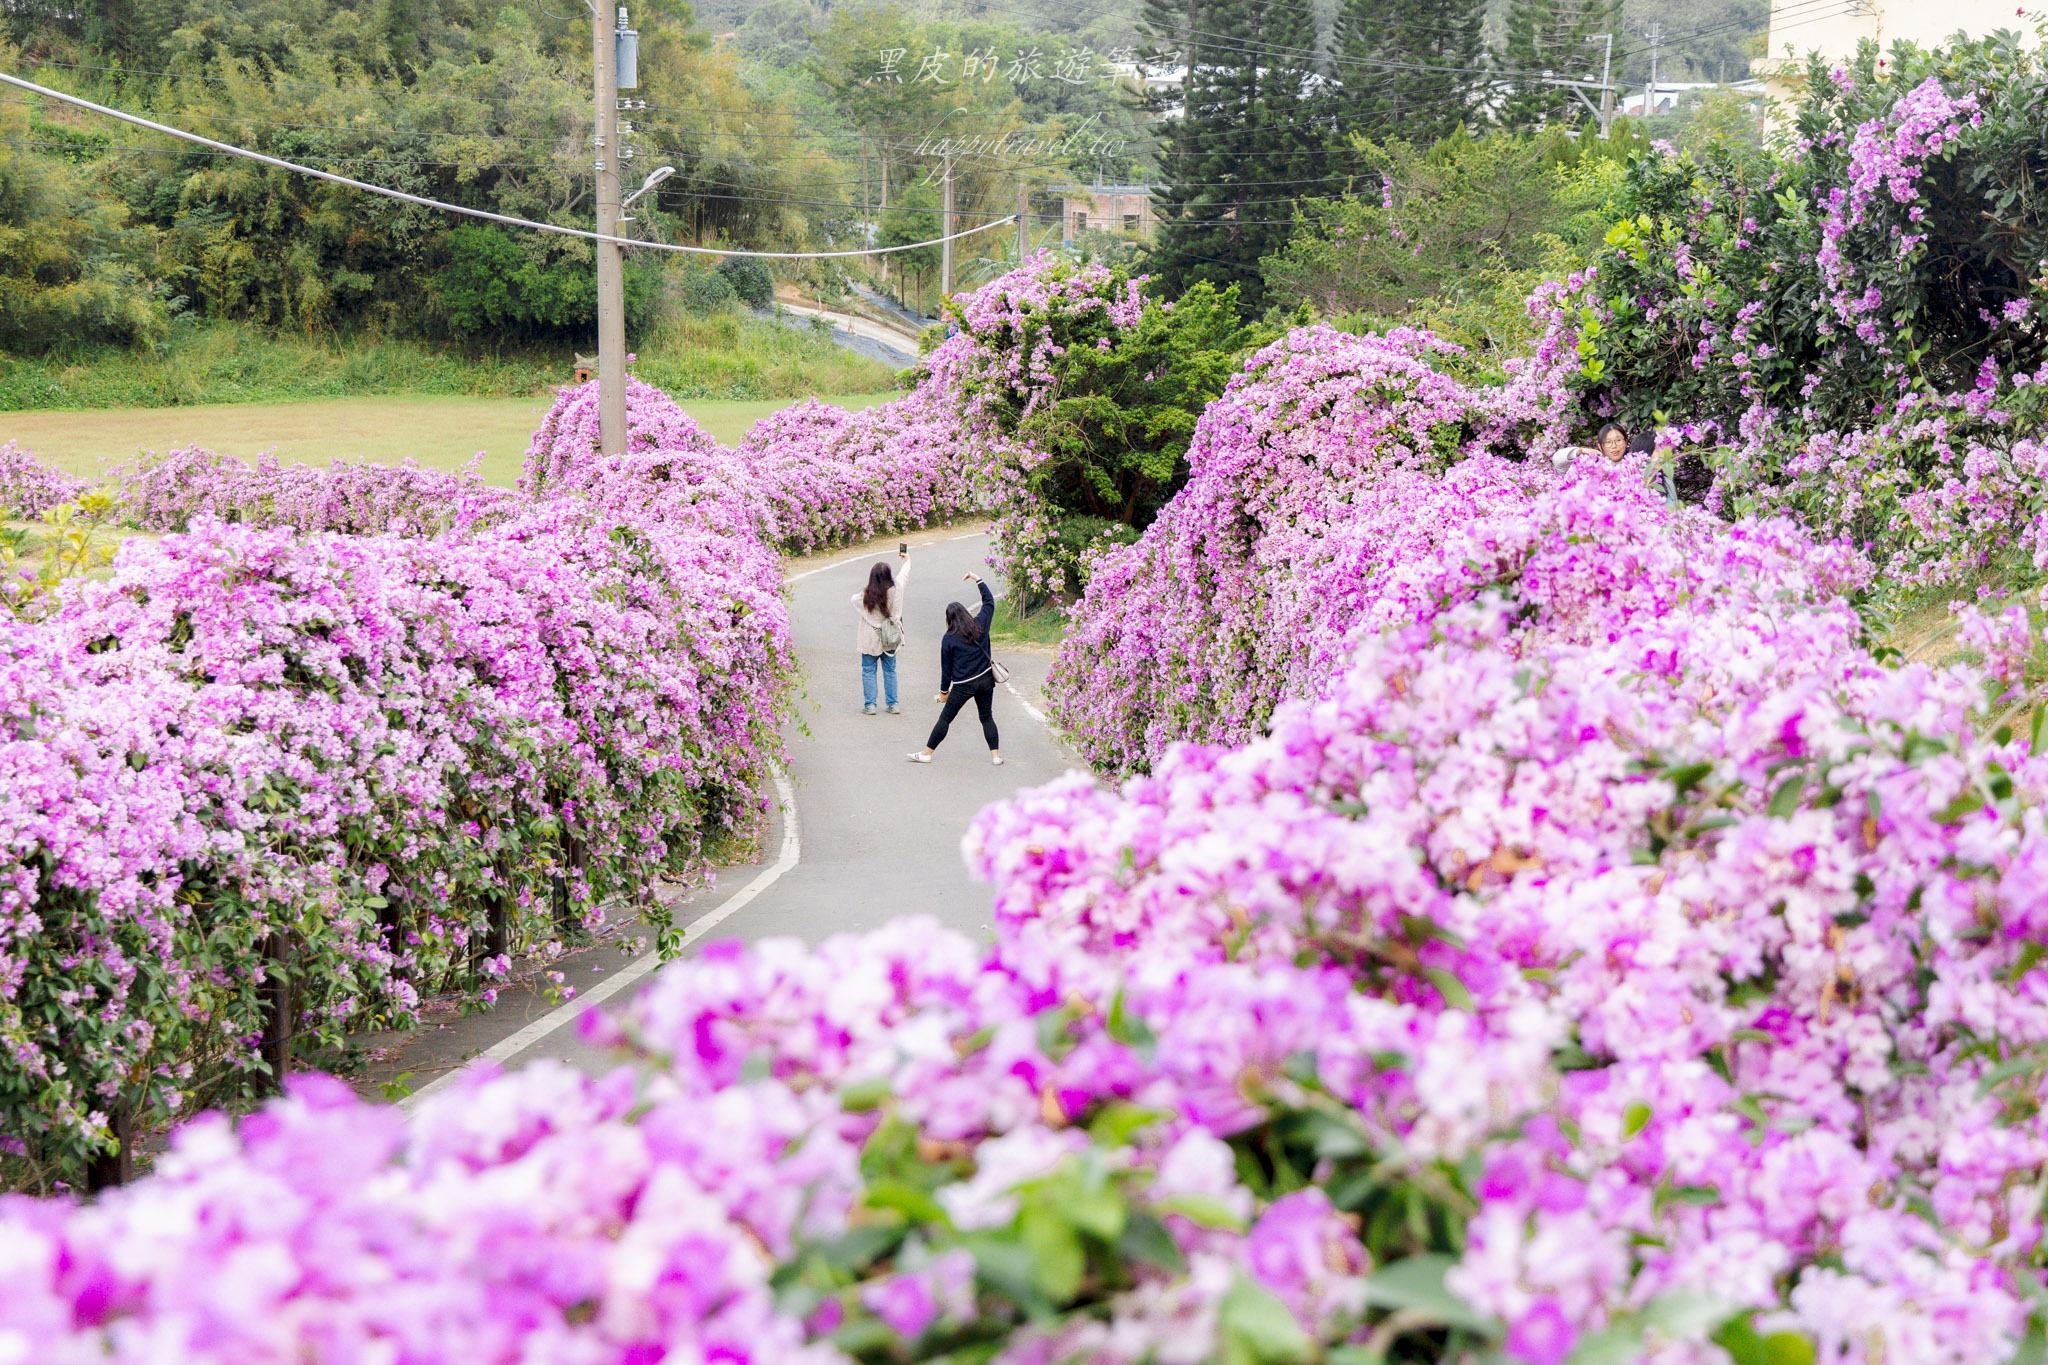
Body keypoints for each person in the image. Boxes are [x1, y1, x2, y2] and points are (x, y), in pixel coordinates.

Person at [907, 570, 1002, 766]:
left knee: (946, 719)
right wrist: (978, 579)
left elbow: (946, 670)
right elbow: (989, 602)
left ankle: (927, 753)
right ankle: (996, 756)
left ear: (949, 619)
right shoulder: (980, 624)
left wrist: (943, 693)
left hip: (963, 685)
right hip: (985, 679)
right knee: (986, 717)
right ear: (966, 613)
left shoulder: (948, 639)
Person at [853, 549, 909, 715]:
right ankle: (893, 704)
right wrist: (906, 560)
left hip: (870, 638)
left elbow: (853, 599)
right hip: (890, 636)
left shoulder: (866, 596)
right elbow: (904, 575)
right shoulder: (897, 588)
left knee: (868, 670)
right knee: (890, 670)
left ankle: (870, 705)